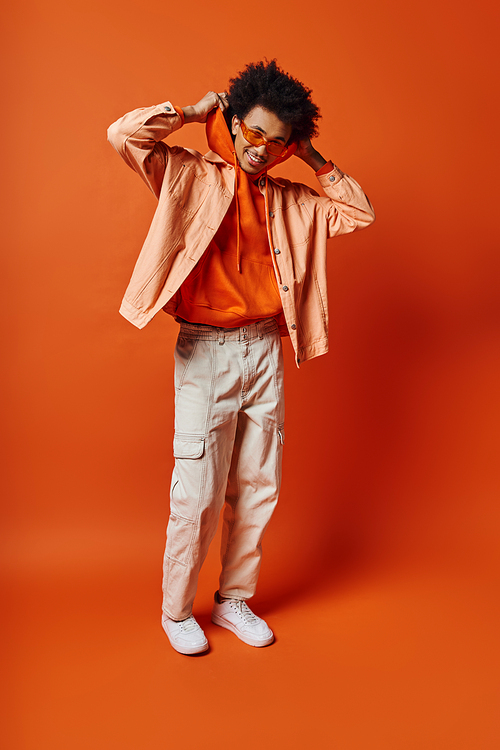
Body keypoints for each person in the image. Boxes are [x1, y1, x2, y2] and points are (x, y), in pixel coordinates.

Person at [107, 59, 375, 656]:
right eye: (253, 133)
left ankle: (233, 601)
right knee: (197, 490)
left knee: (258, 483)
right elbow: (123, 136)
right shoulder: (188, 175)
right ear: (233, 124)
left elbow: (358, 212)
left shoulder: (292, 199)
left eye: (276, 143)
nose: (261, 149)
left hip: (264, 353)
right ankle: (176, 610)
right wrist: (189, 113)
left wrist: (312, 159)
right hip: (205, 353)